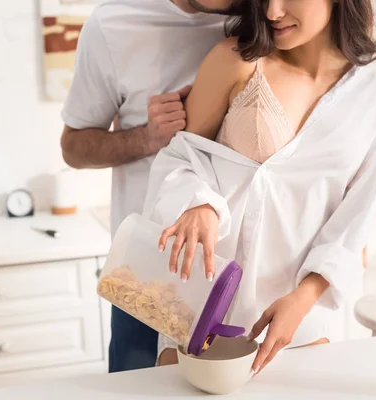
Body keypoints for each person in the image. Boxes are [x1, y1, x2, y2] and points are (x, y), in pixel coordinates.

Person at [142, 0, 376, 372]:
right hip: (203, 300)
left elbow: (357, 218)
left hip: (302, 314)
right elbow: (182, 158)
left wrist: (304, 297)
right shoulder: (236, 59)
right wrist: (198, 203)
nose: (272, 12)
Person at [59, 0, 238, 373]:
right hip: (146, 274)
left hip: (242, 275)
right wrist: (147, 138)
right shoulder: (114, 24)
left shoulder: (268, 17)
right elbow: (73, 147)